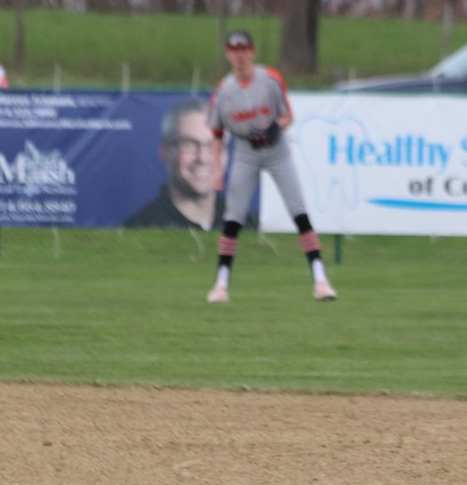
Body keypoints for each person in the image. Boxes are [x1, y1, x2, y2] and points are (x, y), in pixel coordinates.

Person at [204, 29, 337, 304]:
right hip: (245, 151)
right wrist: (217, 170)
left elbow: (288, 116)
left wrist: (276, 127)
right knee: (233, 217)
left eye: (244, 50)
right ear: (228, 54)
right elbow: (217, 134)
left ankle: (321, 280)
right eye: (235, 50)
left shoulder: (270, 80)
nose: (240, 56)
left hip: (276, 150)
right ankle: (221, 284)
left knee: (298, 212)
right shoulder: (223, 90)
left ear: (252, 52)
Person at [126, 98, 226, 230]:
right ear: (165, 152)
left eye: (213, 145)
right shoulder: (140, 229)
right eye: (189, 144)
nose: (203, 158)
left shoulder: (246, 223)